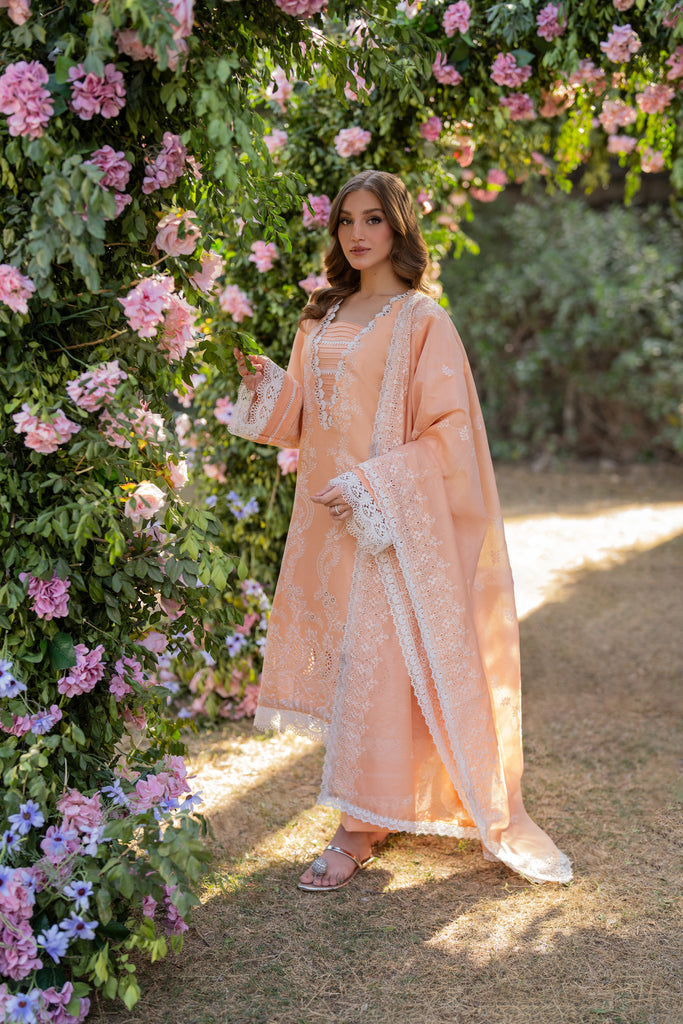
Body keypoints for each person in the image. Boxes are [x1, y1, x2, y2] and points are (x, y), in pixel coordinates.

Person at [229, 170, 572, 891]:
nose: (357, 233)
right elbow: (304, 420)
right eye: (346, 220)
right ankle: (383, 808)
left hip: (384, 520)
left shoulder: (422, 320)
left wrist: (372, 487)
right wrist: (264, 382)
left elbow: (451, 434)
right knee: (359, 668)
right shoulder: (320, 314)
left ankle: (355, 830)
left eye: (372, 219)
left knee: (380, 663)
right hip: (326, 521)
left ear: (398, 228)